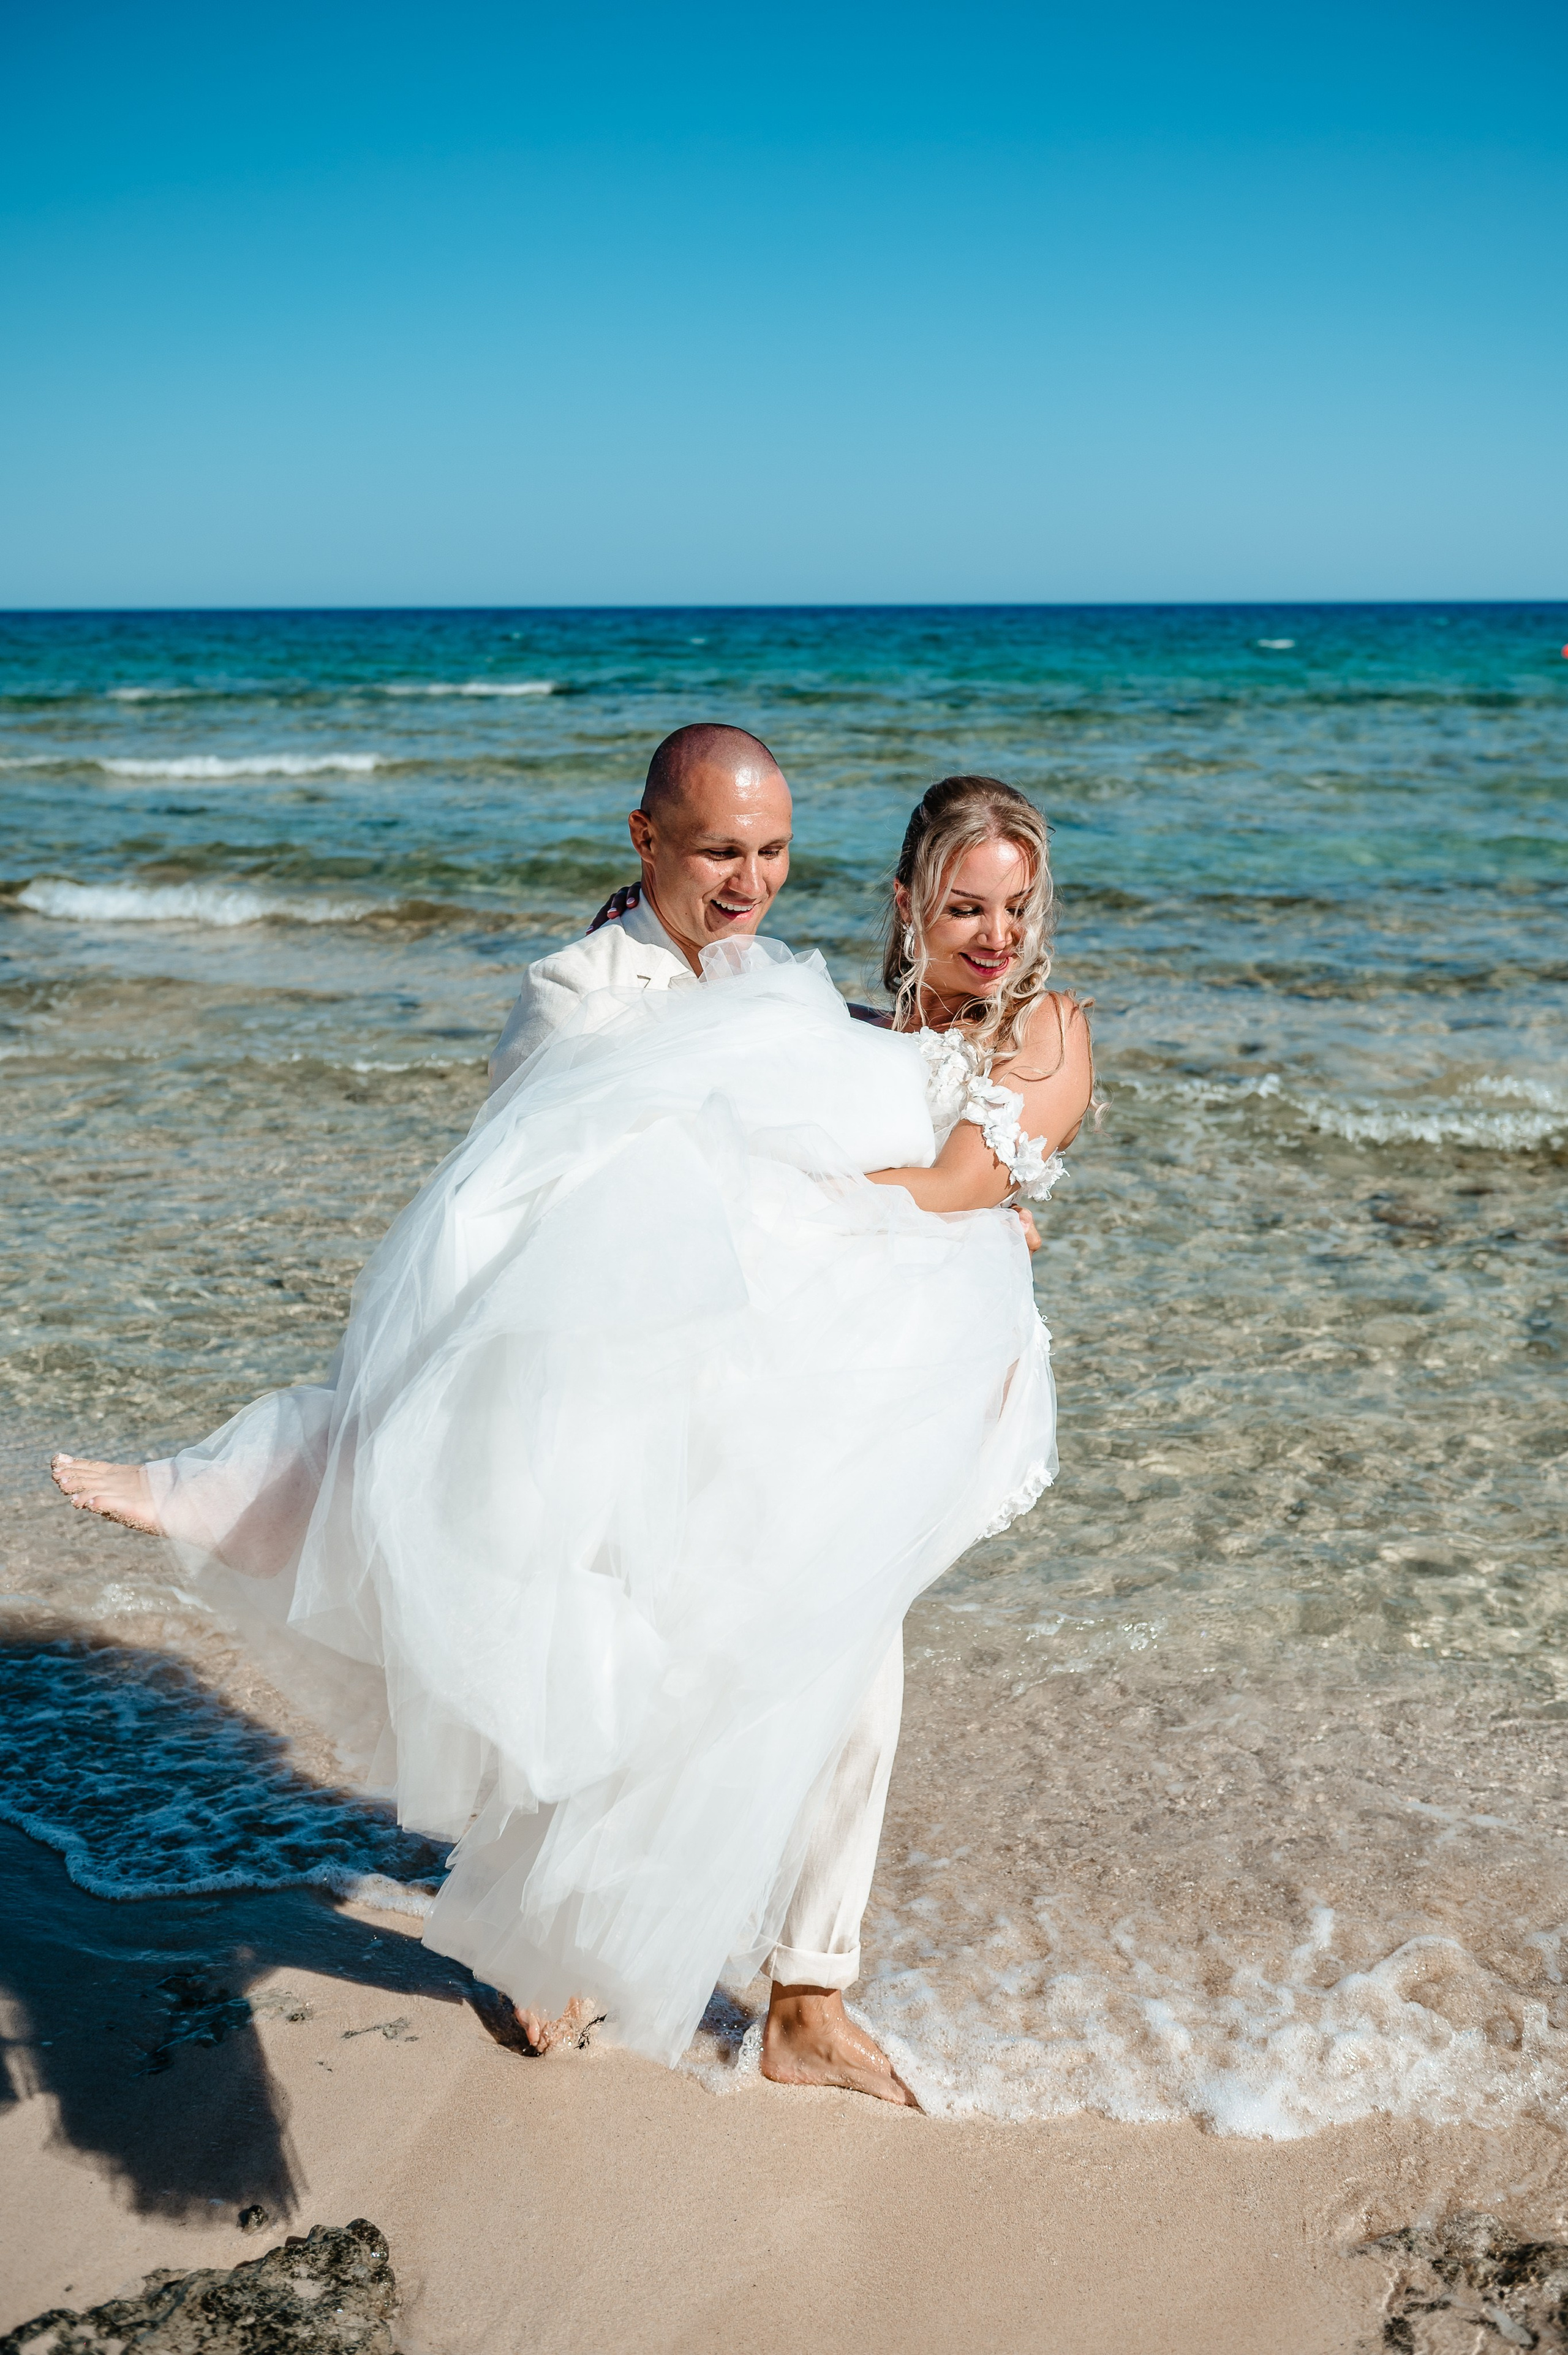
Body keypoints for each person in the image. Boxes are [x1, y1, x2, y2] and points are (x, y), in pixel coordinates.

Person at [52, 757, 1091, 2109]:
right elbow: (555, 1174)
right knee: (620, 1631)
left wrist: (946, 1200)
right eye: (964, 906)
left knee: (836, 1656)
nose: (993, 937)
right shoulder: (773, 1004)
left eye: (1013, 909)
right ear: (907, 902)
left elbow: (950, 1178)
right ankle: (599, 1940)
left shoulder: (1004, 1023)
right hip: (701, 1372)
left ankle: (798, 1987)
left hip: (880, 1395)